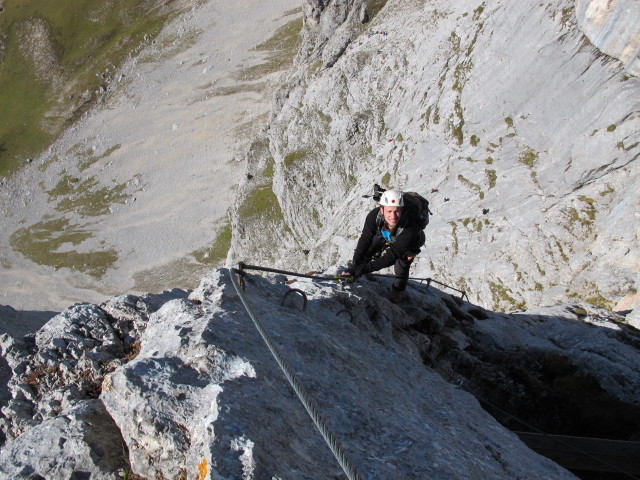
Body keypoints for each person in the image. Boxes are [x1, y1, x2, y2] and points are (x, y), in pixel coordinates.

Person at [342, 189, 425, 303]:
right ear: (382, 210)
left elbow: (391, 257)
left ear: (402, 210)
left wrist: (365, 269)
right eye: (389, 211)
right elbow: (365, 238)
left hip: (410, 243)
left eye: (397, 211)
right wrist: (356, 264)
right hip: (386, 233)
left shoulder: (410, 228)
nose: (393, 216)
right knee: (370, 248)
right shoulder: (374, 216)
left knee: (402, 265)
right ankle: (358, 269)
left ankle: (397, 290)